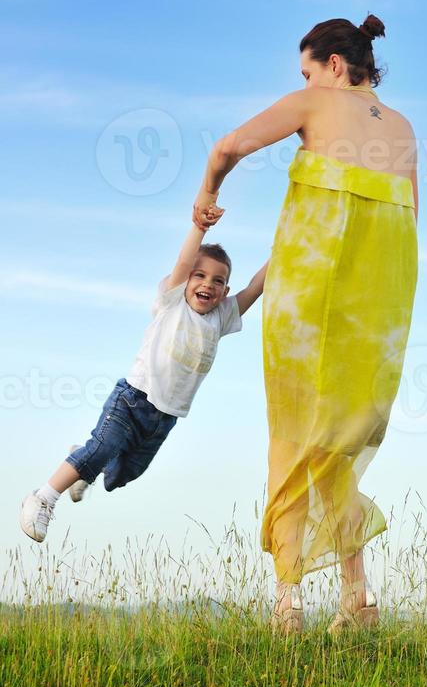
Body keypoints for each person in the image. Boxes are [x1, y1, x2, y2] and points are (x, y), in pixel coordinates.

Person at [193, 13, 419, 636]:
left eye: (307, 71)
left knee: (292, 433)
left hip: (308, 300)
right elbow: (406, 226)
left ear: (334, 67)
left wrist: (206, 195)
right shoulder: (404, 130)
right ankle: (358, 598)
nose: (304, 82)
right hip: (377, 308)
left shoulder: (312, 105)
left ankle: (288, 602)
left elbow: (228, 147)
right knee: (337, 442)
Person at [20, 220, 268, 542]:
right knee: (103, 447)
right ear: (185, 280)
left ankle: (85, 465)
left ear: (224, 292)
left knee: (122, 476)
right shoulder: (173, 301)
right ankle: (43, 497)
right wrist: (199, 229)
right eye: (200, 275)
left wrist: (280, 251)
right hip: (133, 399)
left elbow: (255, 288)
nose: (208, 284)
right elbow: (182, 262)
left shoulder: (221, 318)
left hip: (164, 419)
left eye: (218, 280)